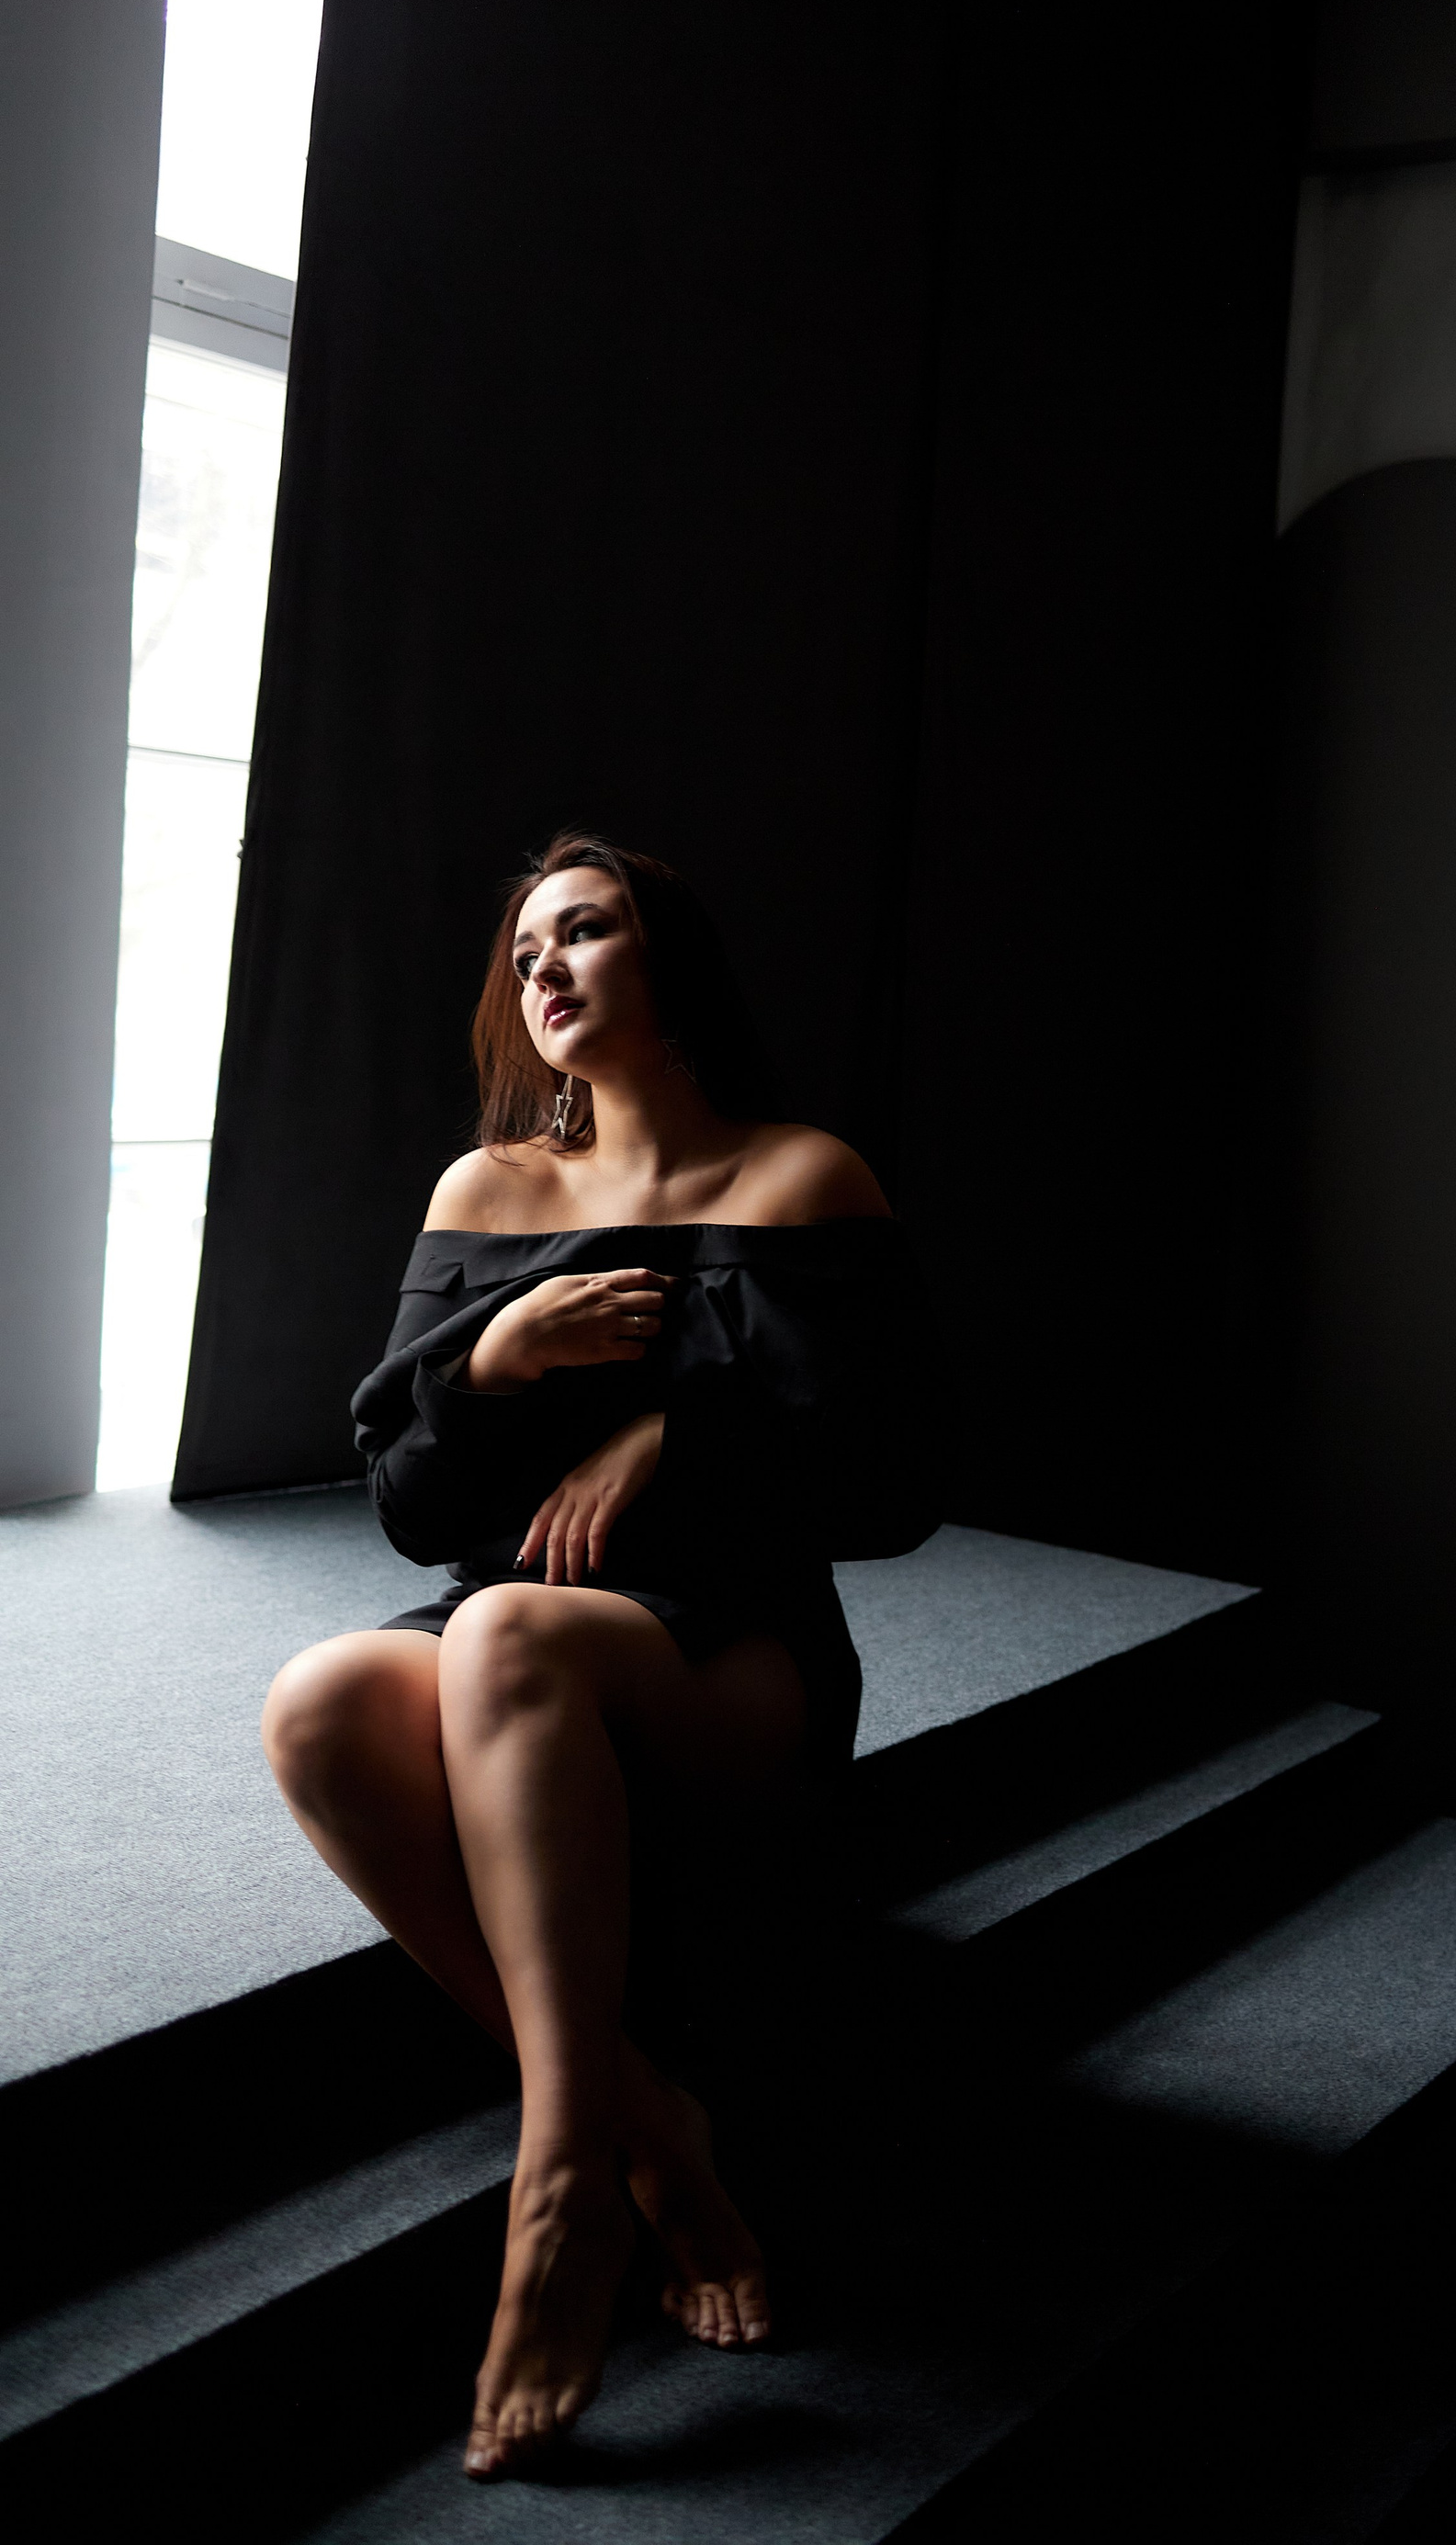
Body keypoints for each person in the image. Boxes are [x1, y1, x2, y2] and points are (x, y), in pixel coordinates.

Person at [259, 830, 937, 2480]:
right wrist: (491, 1360)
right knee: (321, 1699)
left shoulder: (804, 1178)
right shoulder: (485, 1195)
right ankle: (647, 2124)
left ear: (670, 959)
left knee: (505, 1632)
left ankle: (560, 2189)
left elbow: (893, 1485)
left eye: (583, 932)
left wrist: (674, 1429)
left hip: (734, 1650)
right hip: (514, 1623)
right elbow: (415, 1515)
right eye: (523, 954)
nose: (543, 970)